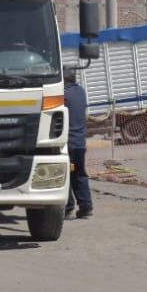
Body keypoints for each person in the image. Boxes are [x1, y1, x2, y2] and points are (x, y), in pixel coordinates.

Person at [64, 68, 91, 219]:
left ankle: (68, 208)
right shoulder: (80, 91)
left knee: (65, 175)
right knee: (80, 174)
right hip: (80, 142)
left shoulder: (64, 94)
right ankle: (86, 207)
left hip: (68, 142)